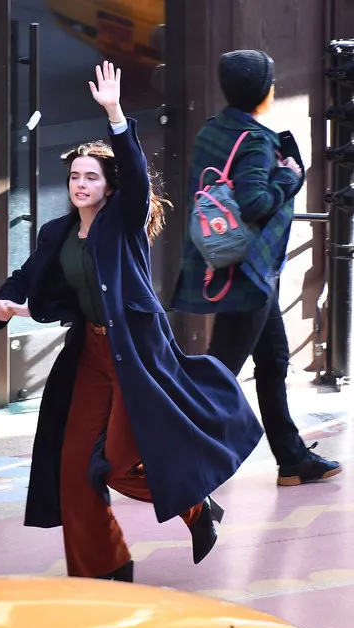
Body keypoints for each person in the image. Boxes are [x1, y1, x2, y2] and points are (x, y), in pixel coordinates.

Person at [0, 61, 263, 582]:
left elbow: (136, 173)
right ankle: (105, 566)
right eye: (74, 177)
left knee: (117, 463)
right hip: (91, 355)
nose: (79, 184)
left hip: (137, 351)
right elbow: (26, 277)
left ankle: (196, 507)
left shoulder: (124, 222)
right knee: (75, 469)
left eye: (90, 177)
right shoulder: (57, 233)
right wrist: (10, 304)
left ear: (109, 187)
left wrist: (116, 113)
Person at [172, 49, 342, 487]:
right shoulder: (256, 140)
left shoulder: (213, 131)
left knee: (273, 359)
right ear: (263, 90)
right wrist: (289, 176)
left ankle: (292, 459)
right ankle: (155, 456)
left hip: (233, 264)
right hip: (248, 270)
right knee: (220, 370)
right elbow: (255, 202)